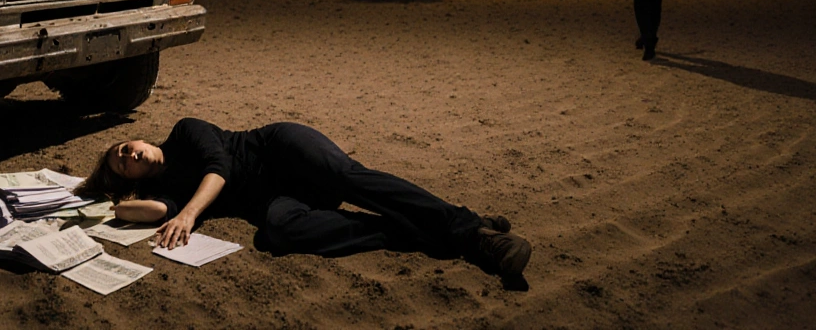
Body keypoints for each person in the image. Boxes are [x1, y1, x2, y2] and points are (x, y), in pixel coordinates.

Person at [77, 117, 533, 283]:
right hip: (274, 199)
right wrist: (110, 203)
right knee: (279, 232)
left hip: (281, 149)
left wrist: (192, 214)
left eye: (124, 148)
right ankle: (433, 227)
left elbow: (219, 168)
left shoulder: (184, 131)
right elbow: (156, 212)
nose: (130, 154)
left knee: (347, 177)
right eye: (123, 164)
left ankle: (476, 236)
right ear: (130, 179)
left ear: (135, 138)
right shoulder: (165, 191)